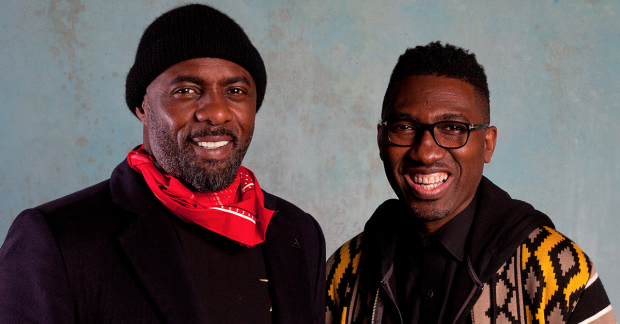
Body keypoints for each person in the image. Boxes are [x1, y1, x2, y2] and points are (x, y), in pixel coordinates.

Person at [0, 4, 325, 324]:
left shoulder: (298, 234)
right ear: (143, 106)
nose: (216, 112)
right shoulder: (57, 239)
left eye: (236, 91)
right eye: (186, 90)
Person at [326, 42, 615, 324]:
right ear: (380, 141)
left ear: (488, 144)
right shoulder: (342, 272)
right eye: (404, 127)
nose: (426, 152)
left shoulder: (560, 271)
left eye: (453, 128)